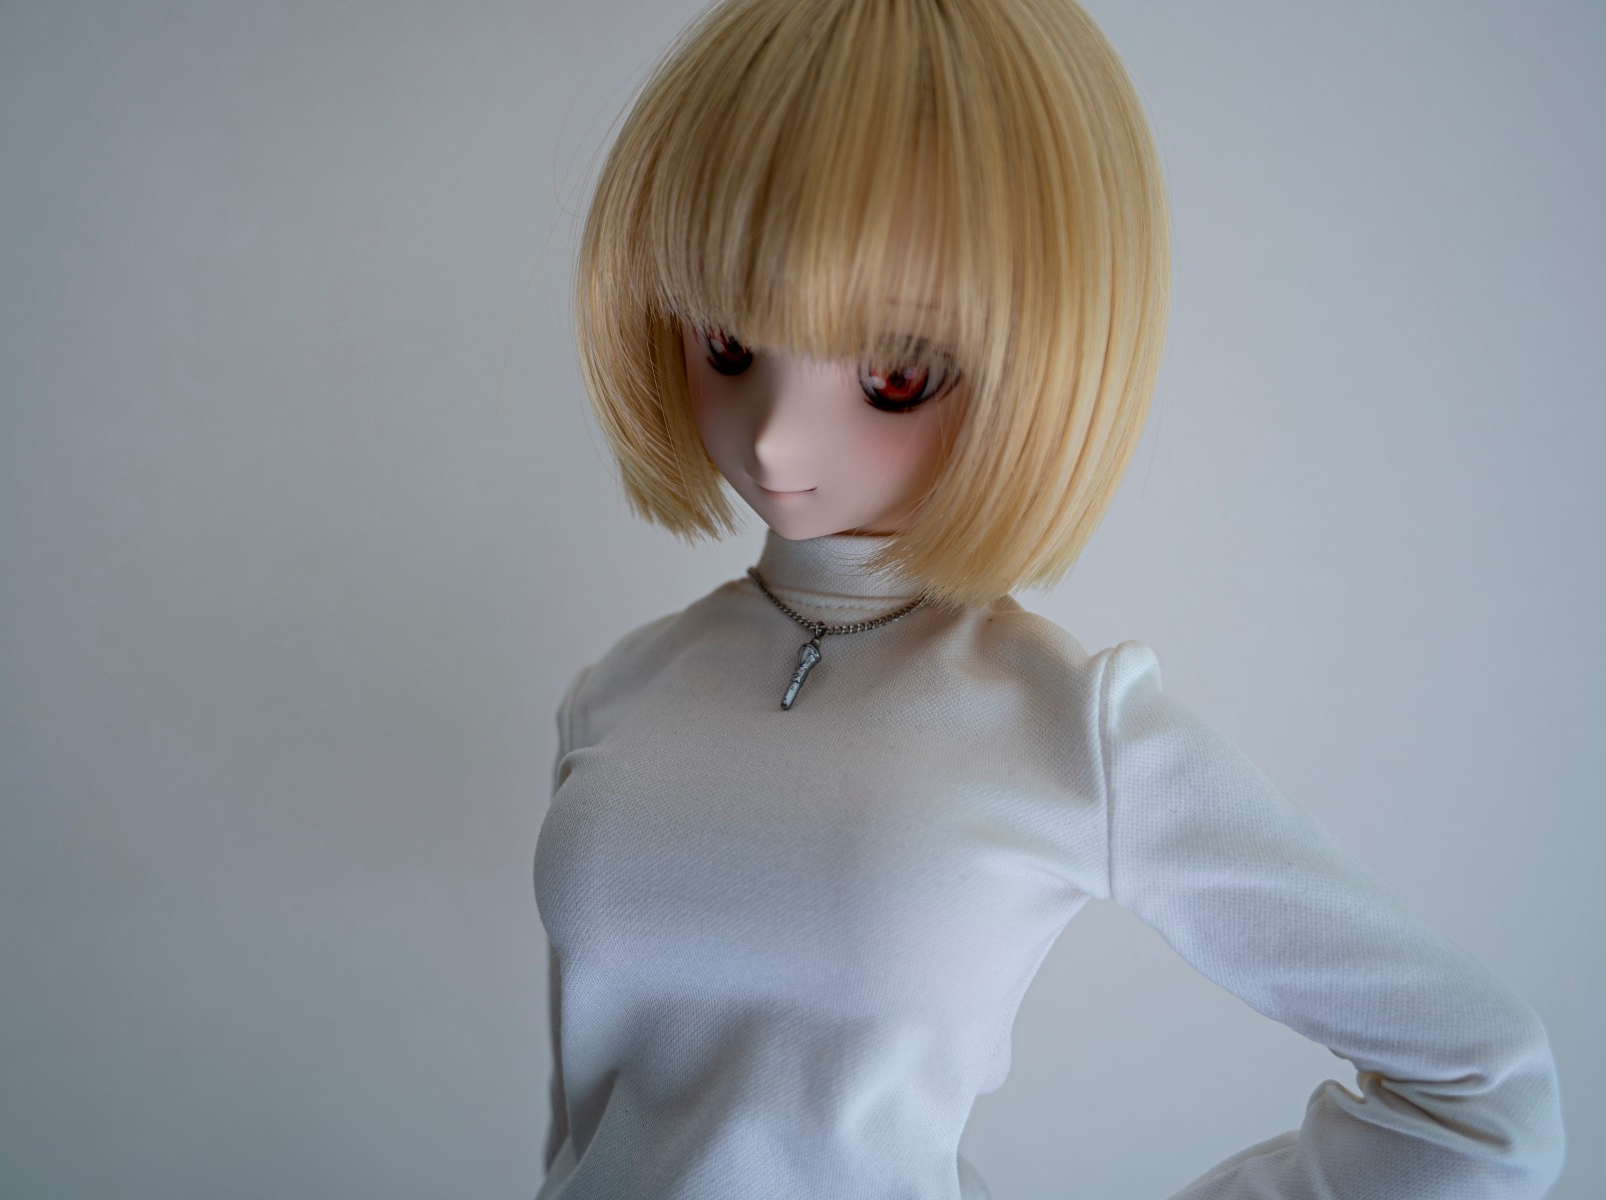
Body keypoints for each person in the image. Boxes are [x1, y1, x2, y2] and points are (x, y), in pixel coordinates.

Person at [532, 0, 1567, 1196]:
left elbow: (1482, 1100)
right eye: (728, 344)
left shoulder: (1064, 729)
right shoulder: (618, 694)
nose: (773, 437)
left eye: (894, 373)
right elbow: (580, 1125)